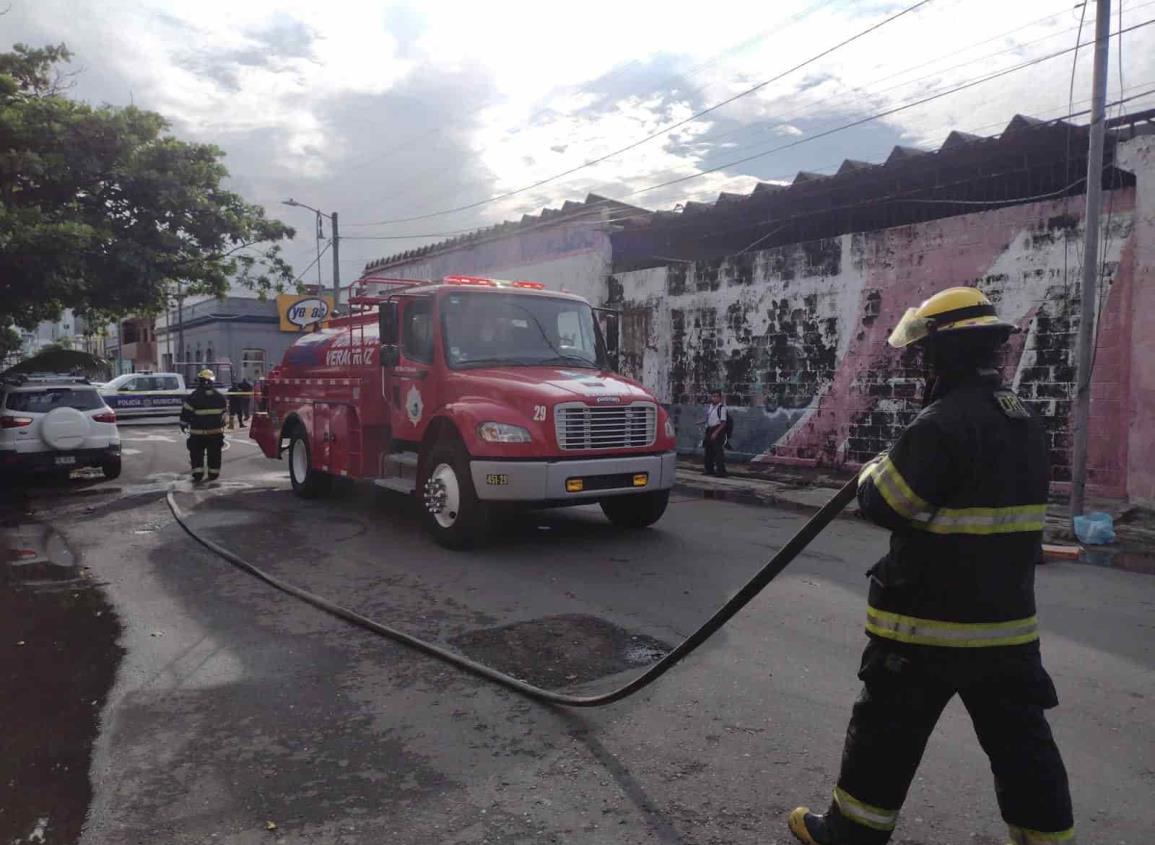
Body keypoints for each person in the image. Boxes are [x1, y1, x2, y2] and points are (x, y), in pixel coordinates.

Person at [788, 287, 1074, 845]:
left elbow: (886, 504)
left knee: (885, 735)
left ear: (941, 355)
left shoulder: (939, 424)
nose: (917, 364)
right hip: (1006, 628)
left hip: (923, 628)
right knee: (1022, 744)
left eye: (922, 354)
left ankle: (851, 834)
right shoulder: (1022, 420)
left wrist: (874, 469)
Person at [180, 369, 228, 483]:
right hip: (215, 433)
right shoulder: (220, 397)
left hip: (197, 434)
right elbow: (224, 415)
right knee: (215, 455)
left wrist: (183, 425)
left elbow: (185, 413)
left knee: (196, 455)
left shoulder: (193, 397)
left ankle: (198, 474)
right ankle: (213, 474)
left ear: (200, 381)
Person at [702, 389, 728, 477]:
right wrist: (702, 422)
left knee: (718, 452)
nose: (714, 398)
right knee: (708, 451)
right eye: (713, 396)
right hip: (709, 429)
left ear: (720, 398)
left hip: (717, 430)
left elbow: (723, 422)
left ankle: (721, 471)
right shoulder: (710, 407)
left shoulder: (722, 408)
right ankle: (709, 469)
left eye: (716, 396)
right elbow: (709, 418)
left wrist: (716, 433)